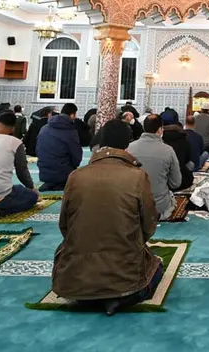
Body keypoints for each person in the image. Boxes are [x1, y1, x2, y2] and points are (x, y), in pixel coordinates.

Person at [51, 119, 164, 315]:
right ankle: (116, 298)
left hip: (75, 282)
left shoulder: (76, 176)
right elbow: (149, 224)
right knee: (157, 265)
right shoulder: (137, 176)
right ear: (127, 144)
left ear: (101, 142)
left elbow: (65, 225)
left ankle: (90, 297)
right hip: (127, 281)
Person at [127, 114, 184, 220]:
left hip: (132, 207)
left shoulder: (129, 148)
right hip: (158, 208)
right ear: (160, 130)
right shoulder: (168, 150)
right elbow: (176, 183)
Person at [36, 103, 83, 191]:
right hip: (64, 174)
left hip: (44, 172)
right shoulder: (70, 131)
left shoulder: (44, 128)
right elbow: (77, 157)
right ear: (72, 115)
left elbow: (38, 150)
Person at [159, 108, 194, 191]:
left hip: (158, 182)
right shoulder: (183, 138)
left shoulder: (155, 139)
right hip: (178, 182)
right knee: (191, 164)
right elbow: (187, 159)